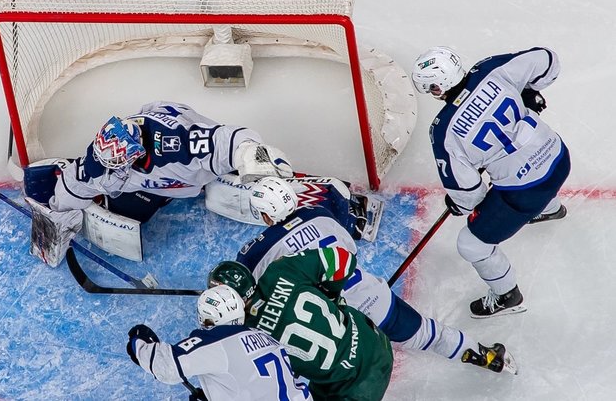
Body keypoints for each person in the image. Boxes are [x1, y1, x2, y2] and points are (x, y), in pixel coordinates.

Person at [238, 176, 516, 375]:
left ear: (264, 215)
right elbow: (348, 253)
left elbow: (255, 299)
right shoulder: (318, 214)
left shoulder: (254, 253)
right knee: (427, 334)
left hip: (332, 329)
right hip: (373, 298)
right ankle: (487, 357)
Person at [22, 101, 293, 264]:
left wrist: (251, 157)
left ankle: (224, 176)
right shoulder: (101, 157)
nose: (107, 173)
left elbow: (231, 139)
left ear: (135, 154)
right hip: (160, 178)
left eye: (115, 166)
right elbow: (75, 182)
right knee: (128, 210)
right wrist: (55, 215)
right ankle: (167, 193)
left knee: (216, 167)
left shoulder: (181, 147)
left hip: (187, 149)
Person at [412, 46, 570, 318]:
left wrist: (458, 204)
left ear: (438, 88)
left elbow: (470, 195)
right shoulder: (489, 70)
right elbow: (547, 59)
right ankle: (551, 208)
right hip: (559, 158)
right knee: (528, 169)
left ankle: (507, 296)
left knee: (471, 244)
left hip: (527, 192)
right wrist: (528, 92)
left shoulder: (443, 131)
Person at [208, 247, 394, 401]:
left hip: (356, 389)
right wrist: (331, 297)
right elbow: (343, 260)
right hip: (376, 342)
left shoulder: (248, 337)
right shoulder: (281, 269)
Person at [126, 285, 312, 401]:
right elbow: (260, 384)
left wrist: (139, 342)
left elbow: (167, 367)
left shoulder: (215, 340)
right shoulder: (268, 338)